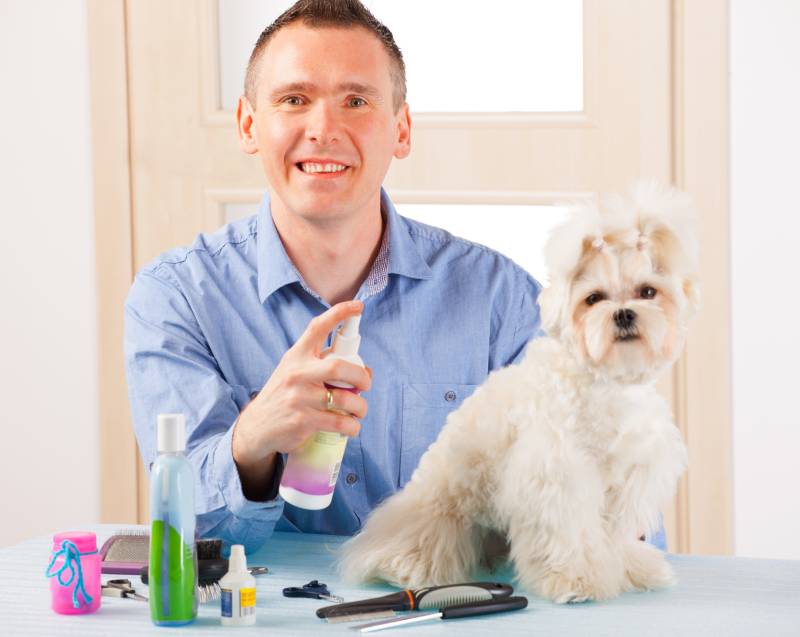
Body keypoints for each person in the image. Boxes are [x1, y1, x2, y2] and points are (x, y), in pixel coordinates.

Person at [125, 0, 664, 553]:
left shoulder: (501, 300)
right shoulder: (175, 298)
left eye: (356, 101)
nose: (323, 129)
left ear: (401, 130)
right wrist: (254, 438)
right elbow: (187, 538)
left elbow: (621, 524)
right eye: (293, 99)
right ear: (248, 125)